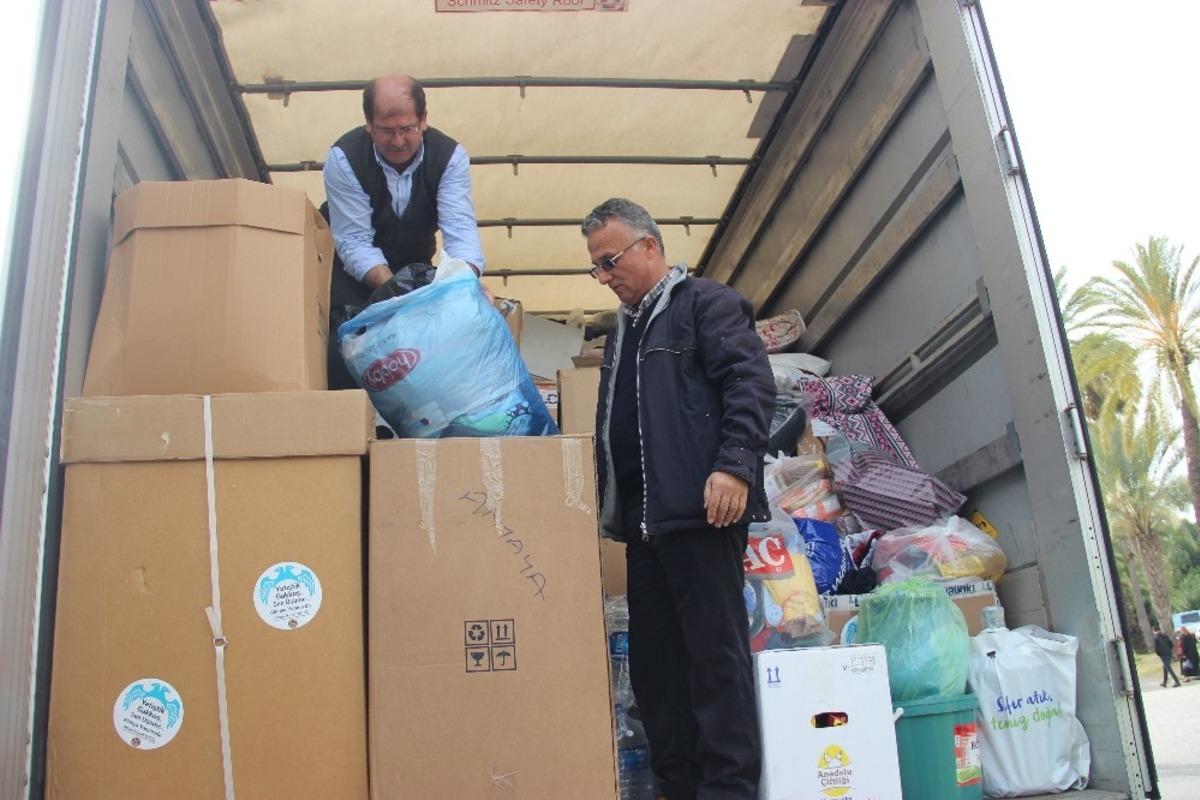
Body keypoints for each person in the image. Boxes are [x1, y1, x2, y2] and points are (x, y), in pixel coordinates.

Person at [583, 197, 774, 799]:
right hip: (646, 528)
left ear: (649, 246)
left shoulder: (704, 304)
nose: (603, 276)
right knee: (657, 671)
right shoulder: (624, 330)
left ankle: (729, 789)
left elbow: (749, 382)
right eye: (595, 267)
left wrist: (735, 467)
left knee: (715, 662)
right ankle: (678, 789)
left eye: (609, 261)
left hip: (702, 516)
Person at [322, 74, 484, 388]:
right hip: (352, 273)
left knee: (429, 352)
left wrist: (463, 284)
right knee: (344, 349)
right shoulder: (344, 158)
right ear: (369, 125)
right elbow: (353, 241)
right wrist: (394, 293)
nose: (397, 142)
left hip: (413, 264)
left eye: (407, 129)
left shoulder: (450, 157)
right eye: (386, 131)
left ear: (423, 120)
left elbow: (461, 233)